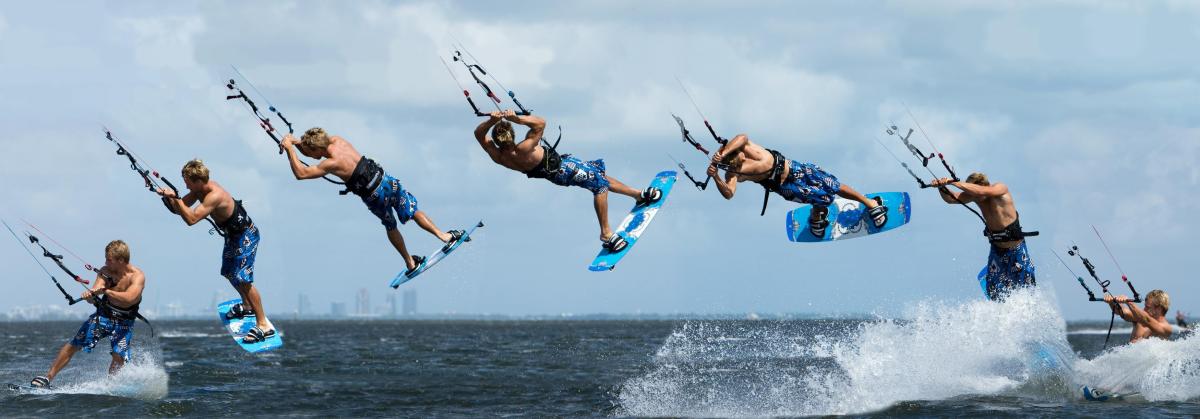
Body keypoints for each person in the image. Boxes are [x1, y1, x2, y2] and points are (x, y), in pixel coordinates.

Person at [280, 128, 464, 274]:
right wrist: (296, 142)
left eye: (311, 151)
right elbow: (314, 150)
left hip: (373, 195)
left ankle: (409, 262)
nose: (310, 155)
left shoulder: (330, 163)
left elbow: (301, 174)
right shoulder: (337, 139)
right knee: (413, 210)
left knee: (390, 225)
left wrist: (289, 148)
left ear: (317, 148)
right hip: (386, 180)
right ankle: (444, 236)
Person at [473, 110, 662, 252]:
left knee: (597, 175)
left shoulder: (498, 156)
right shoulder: (524, 147)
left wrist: (492, 120)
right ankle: (606, 233)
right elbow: (540, 123)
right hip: (564, 169)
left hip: (557, 173)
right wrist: (516, 118)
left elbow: (479, 134)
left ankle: (638, 195)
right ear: (512, 134)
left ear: (496, 140)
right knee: (600, 186)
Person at [158, 159, 274, 343]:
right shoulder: (198, 190)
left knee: (243, 279)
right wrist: (166, 197)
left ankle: (263, 325)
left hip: (246, 235)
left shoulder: (214, 195)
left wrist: (176, 199)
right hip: (232, 236)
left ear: (198, 181)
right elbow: (179, 208)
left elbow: (191, 219)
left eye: (187, 180)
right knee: (229, 273)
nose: (185, 184)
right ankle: (246, 305)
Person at [706, 133, 887, 236]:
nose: (744, 157)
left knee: (832, 184)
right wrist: (715, 177)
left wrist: (722, 154)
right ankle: (816, 216)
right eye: (740, 159)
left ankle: (870, 203)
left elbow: (742, 136)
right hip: (783, 186)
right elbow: (729, 194)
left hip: (793, 168)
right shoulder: (734, 172)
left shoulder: (743, 147)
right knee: (823, 198)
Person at [30, 240, 144, 388]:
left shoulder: (137, 277)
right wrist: (90, 296)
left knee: (118, 355)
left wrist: (107, 291)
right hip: (104, 316)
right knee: (74, 343)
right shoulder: (106, 271)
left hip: (124, 322)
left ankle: (111, 387)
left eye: (109, 260)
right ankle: (47, 378)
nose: (105, 262)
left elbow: (130, 298)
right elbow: (95, 291)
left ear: (121, 260)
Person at [930, 173, 1036, 300]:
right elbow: (952, 199)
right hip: (997, 251)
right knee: (994, 291)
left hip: (1017, 250)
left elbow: (981, 192)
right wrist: (941, 187)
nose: (972, 196)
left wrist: (953, 182)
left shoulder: (1000, 188)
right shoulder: (975, 196)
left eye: (972, 190)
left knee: (1026, 290)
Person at [1106, 290, 1173, 343]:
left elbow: (1147, 320)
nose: (1144, 309)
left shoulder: (1166, 328)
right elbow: (1123, 312)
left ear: (1159, 309)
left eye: (1147, 307)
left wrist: (1129, 302)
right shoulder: (1139, 318)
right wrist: (1112, 302)